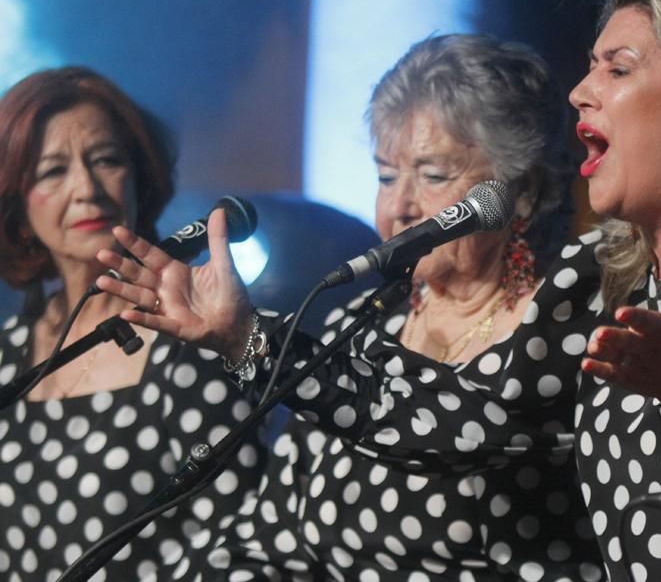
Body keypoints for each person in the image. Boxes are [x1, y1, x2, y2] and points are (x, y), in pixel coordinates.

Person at [102, 0, 661, 581]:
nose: (580, 90)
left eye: (617, 69)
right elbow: (461, 422)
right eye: (588, 67)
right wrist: (248, 337)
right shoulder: (602, 283)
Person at [108, 35, 604, 580]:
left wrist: (247, 337)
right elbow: (272, 538)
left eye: (433, 176)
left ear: (523, 191)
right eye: (386, 176)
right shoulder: (359, 328)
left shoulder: (569, 310)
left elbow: (446, 428)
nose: (398, 207)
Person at [0, 67, 266, 581]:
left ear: (139, 180)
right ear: (15, 206)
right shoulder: (7, 354)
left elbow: (239, 546)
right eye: (53, 170)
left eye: (105, 159)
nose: (86, 188)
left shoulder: (187, 343)